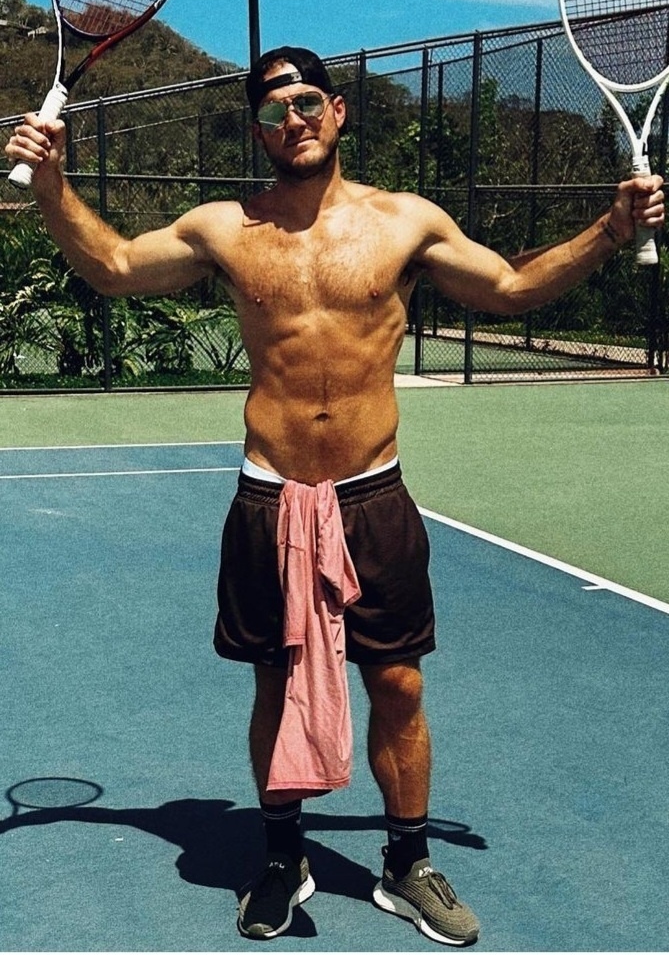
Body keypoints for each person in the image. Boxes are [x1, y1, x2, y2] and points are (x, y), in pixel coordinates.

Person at [5, 46, 664, 947]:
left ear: (338, 110)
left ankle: (407, 864)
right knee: (274, 684)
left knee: (396, 683)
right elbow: (116, 265)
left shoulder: (405, 222)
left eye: (307, 102)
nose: (293, 121)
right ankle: (282, 857)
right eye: (272, 111)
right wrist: (51, 184)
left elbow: (510, 289)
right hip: (269, 497)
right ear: (257, 130)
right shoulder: (224, 228)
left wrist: (609, 231)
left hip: (371, 497)